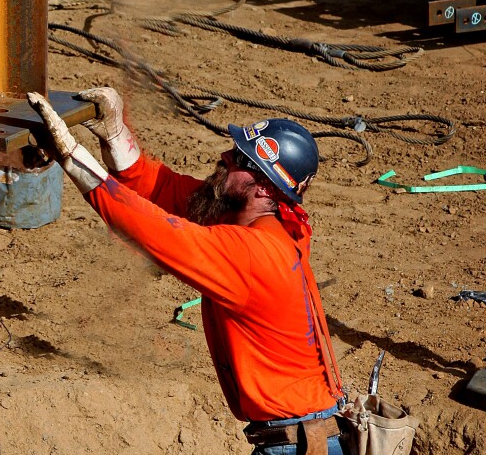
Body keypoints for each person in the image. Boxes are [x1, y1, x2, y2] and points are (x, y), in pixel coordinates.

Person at [27, 88, 347, 455]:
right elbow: (163, 190)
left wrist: (72, 157)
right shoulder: (260, 221)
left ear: (263, 189)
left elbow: (156, 232)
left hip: (296, 446)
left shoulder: (254, 254)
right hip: (303, 435)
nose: (226, 157)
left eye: (241, 160)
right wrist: (115, 135)